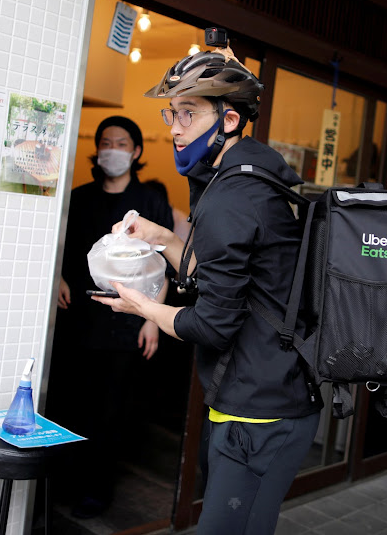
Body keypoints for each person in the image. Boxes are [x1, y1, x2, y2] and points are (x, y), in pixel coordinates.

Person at [93, 46, 323, 534]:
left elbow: (211, 324)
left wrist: (142, 306)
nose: (174, 128)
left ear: (231, 119)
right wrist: (164, 238)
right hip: (264, 396)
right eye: (172, 113)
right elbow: (219, 276)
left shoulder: (234, 197)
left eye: (189, 113)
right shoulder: (249, 176)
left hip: (260, 413)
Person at [48, 115, 174, 519]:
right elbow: (57, 248)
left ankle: (96, 491)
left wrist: (152, 319)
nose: (112, 149)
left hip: (127, 322)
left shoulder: (150, 203)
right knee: (70, 403)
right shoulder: (80, 197)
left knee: (112, 411)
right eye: (106, 142)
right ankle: (62, 484)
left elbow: (163, 267)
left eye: (121, 143)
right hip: (77, 319)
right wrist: (58, 278)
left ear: (136, 152)